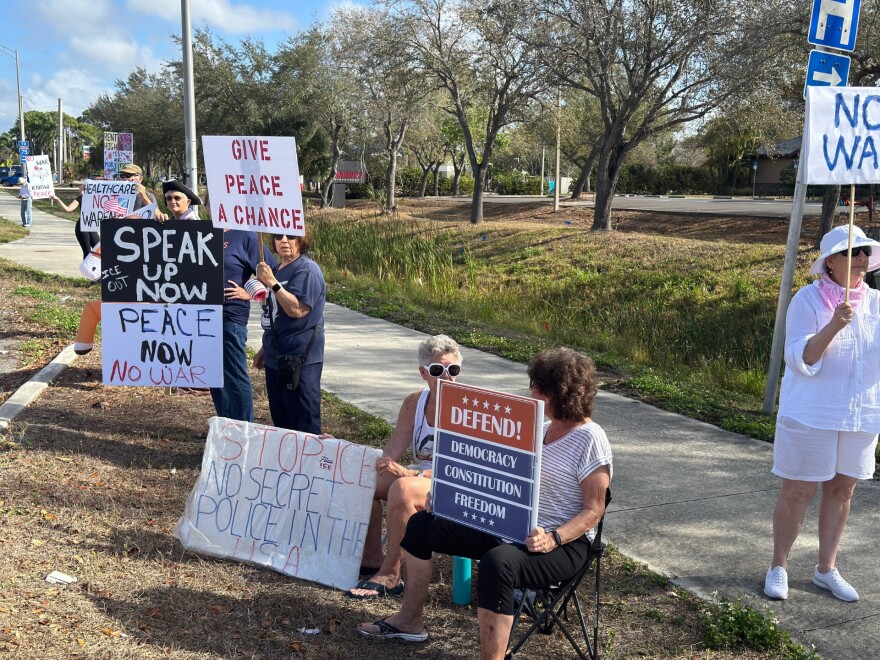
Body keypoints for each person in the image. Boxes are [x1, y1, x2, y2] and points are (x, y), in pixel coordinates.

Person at [358, 347, 612, 659]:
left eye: (539, 387)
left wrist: (553, 538)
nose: (532, 391)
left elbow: (594, 509)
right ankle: (409, 621)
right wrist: (447, 500)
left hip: (562, 544)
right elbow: (497, 479)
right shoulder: (539, 430)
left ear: (561, 393)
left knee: (497, 563)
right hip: (511, 527)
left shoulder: (590, 438)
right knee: (422, 525)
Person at [764, 224, 880, 603]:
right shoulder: (807, 300)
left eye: (865, 251)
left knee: (843, 489)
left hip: (860, 412)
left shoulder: (877, 304)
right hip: (811, 412)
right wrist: (834, 324)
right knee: (798, 489)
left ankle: (825, 569)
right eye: (853, 252)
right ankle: (779, 565)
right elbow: (803, 358)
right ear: (830, 262)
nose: (862, 258)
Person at [348, 334, 462, 599]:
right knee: (369, 479)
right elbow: (390, 454)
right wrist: (348, 452)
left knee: (403, 488)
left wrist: (413, 473)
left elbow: (463, 468)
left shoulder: (469, 407)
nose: (446, 377)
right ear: (424, 373)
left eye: (453, 370)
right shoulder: (414, 402)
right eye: (438, 370)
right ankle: (373, 556)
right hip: (422, 477)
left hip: (452, 481)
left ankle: (391, 573)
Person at [208, 189, 278, 421]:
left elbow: (272, 273)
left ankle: (244, 432)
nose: (216, 207)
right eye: (212, 202)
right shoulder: (201, 234)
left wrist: (248, 293)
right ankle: (226, 428)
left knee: (234, 374)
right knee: (213, 374)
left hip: (230, 315)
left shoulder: (245, 236)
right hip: (201, 316)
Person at [253, 228, 326, 434]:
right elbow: (276, 316)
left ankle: (308, 466)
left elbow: (297, 310)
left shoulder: (307, 270)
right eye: (278, 236)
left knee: (304, 426)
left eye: (290, 236)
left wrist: (272, 283)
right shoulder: (276, 269)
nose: (283, 240)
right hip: (276, 357)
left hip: (300, 360)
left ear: (302, 239)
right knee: (282, 425)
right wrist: (264, 349)